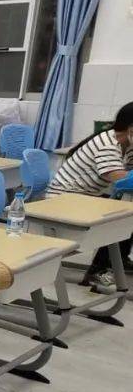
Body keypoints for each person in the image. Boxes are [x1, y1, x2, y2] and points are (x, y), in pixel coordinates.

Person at [46, 103, 133, 289]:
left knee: (126, 214)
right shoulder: (108, 144)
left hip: (87, 197)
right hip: (63, 199)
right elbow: (120, 179)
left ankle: (117, 259)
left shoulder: (128, 144)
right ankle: (98, 270)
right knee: (118, 219)